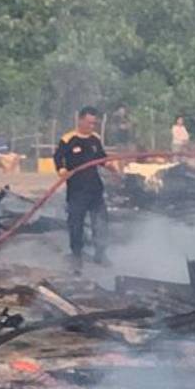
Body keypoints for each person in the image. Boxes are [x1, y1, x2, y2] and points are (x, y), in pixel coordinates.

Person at [54, 106, 111, 271]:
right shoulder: (68, 139)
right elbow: (58, 158)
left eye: (94, 123)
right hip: (77, 191)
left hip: (95, 189)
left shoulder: (95, 139)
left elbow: (102, 159)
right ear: (80, 120)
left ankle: (100, 254)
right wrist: (62, 171)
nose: (91, 126)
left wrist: (114, 170)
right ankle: (77, 256)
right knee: (76, 224)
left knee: (101, 224)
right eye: (89, 123)